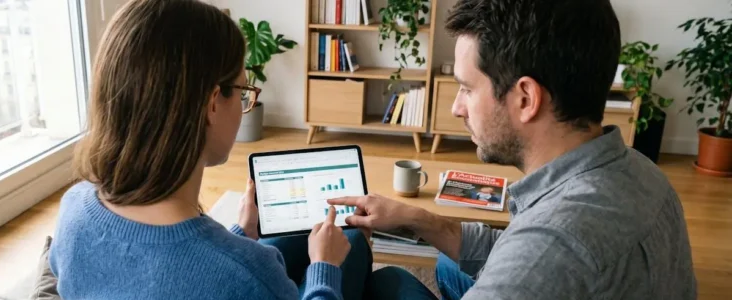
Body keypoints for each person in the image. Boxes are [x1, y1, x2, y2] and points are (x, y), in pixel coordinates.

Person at [330, 0, 697, 299]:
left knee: (388, 285)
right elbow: (515, 247)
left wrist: (324, 275)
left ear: (526, 98)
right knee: (446, 263)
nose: (457, 108)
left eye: (467, 88)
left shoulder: (550, 248)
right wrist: (416, 218)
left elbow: (535, 255)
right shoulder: (641, 170)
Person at [48, 0, 373, 299]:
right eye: (243, 90)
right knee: (357, 247)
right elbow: (219, 274)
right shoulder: (250, 274)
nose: (246, 103)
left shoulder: (74, 210)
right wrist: (324, 268)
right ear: (212, 104)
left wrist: (240, 233)